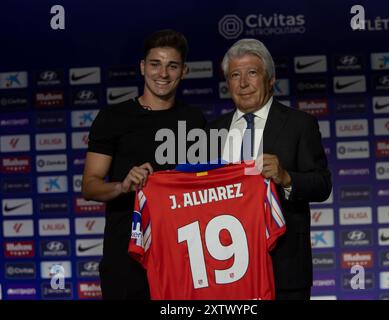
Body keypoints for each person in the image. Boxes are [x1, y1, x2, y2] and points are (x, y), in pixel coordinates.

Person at [82, 29, 206, 299]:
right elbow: (90, 186)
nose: (163, 74)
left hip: (182, 256)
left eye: (172, 66)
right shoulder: (113, 118)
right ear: (142, 67)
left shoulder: (195, 120)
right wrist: (122, 186)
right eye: (155, 64)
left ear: (183, 71)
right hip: (126, 258)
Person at [208, 39, 332, 300]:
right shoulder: (212, 132)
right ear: (227, 83)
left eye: (252, 73)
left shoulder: (300, 124)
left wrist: (286, 177)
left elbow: (322, 184)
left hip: (284, 267)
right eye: (234, 75)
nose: (243, 83)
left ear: (270, 78)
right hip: (225, 268)